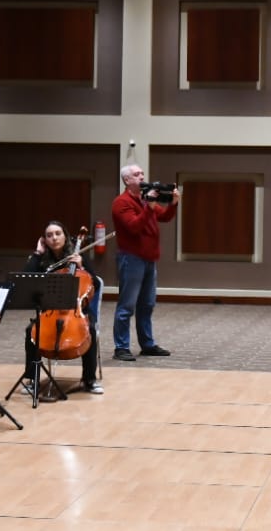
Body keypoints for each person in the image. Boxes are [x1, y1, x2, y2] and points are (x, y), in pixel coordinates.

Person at [25, 220, 102, 393]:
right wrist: (37, 253)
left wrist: (82, 266)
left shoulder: (78, 255)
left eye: (58, 234)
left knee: (89, 330)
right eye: (49, 235)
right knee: (31, 331)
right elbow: (27, 278)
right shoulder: (42, 260)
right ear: (44, 240)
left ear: (65, 236)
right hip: (50, 311)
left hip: (77, 311)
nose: (54, 238)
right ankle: (32, 379)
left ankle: (89, 379)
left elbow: (95, 283)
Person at [111, 164, 178, 361]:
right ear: (127, 180)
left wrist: (173, 203)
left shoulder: (144, 198)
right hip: (131, 258)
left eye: (142, 173)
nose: (142, 176)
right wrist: (149, 206)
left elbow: (164, 217)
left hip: (149, 259)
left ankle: (147, 344)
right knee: (127, 306)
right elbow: (134, 227)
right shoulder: (121, 203)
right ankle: (121, 347)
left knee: (147, 305)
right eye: (136, 174)